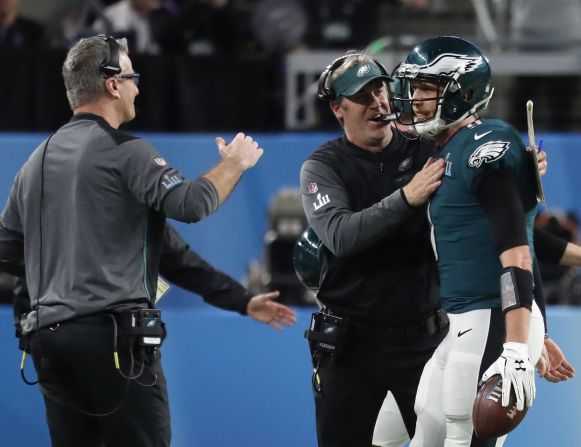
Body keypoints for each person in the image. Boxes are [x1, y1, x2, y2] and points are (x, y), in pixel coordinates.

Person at [0, 35, 263, 446]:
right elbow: (191, 204)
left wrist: (67, 270)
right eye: (132, 77)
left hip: (50, 343)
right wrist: (233, 164)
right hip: (113, 341)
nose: (137, 87)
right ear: (111, 84)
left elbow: (8, 251)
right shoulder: (126, 152)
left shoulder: (34, 163)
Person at [391, 35, 550, 446]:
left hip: (492, 317)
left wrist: (517, 346)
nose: (415, 98)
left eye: (427, 88)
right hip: (460, 318)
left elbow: (517, 251)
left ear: (462, 94)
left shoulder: (485, 146)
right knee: (427, 427)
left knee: (464, 437)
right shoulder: (447, 148)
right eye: (415, 87)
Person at [370, 226, 581, 446]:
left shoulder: (479, 165)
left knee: (467, 434)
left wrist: (531, 333)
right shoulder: (424, 174)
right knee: (387, 435)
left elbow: (521, 242)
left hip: (485, 322)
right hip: (432, 328)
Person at [299, 51, 450, 447]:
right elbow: (340, 236)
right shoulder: (323, 167)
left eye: (380, 89)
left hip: (423, 342)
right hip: (351, 347)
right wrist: (407, 197)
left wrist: (518, 170)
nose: (378, 102)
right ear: (338, 108)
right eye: (362, 96)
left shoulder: (425, 149)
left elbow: (477, 185)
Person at [13, 222, 297, 349]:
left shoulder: (44, 176)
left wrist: (24, 322)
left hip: (55, 342)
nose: (136, 94)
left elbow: (17, 254)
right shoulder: (133, 177)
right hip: (116, 347)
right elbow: (181, 261)